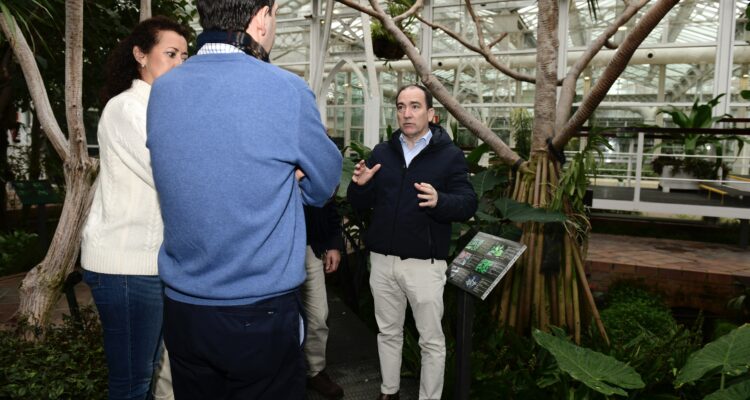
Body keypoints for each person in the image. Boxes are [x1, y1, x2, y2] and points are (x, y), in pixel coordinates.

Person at [145, 0, 343, 398]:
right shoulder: (284, 89)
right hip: (259, 313)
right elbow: (325, 184)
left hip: (185, 311)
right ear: (262, 17)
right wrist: (291, 181)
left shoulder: (164, 89)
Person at [80, 16, 189, 400]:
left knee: (154, 375)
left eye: (184, 56)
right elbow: (169, 175)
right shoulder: (126, 108)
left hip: (150, 265)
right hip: (124, 266)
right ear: (141, 55)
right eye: (170, 54)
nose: (179, 63)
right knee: (132, 384)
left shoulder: (163, 109)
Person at [347, 84, 478, 400]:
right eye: (402, 106)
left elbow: (468, 202)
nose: (407, 112)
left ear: (432, 114)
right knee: (387, 333)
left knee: (430, 340)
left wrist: (439, 200)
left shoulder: (449, 156)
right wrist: (361, 187)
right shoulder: (382, 153)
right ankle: (388, 392)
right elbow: (359, 203)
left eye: (415, 106)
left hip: (424, 265)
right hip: (382, 262)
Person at [303, 200, 345, 399]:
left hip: (310, 247)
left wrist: (334, 244)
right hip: (275, 248)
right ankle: (281, 373)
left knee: (319, 315)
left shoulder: (315, 169)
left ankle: (315, 371)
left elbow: (329, 204)